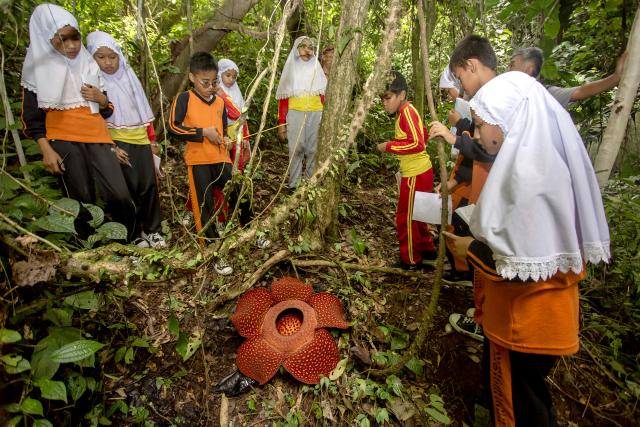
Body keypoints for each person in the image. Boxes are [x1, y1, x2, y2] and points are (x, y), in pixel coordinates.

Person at [443, 70, 610, 427]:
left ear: (506, 121)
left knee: (516, 408)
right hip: (540, 316)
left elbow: (515, 259)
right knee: (528, 400)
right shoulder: (539, 164)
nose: (480, 132)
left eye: (484, 123)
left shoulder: (528, 177)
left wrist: (467, 249)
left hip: (524, 321)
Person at [21, 3, 135, 241]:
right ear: (47, 37)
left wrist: (102, 100)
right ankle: (90, 255)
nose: (72, 46)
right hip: (63, 138)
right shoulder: (36, 68)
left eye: (75, 38)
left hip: (97, 137)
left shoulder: (87, 62)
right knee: (81, 199)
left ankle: (128, 244)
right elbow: (31, 118)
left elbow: (106, 110)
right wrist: (46, 150)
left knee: (120, 195)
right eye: (63, 39)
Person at [86, 30, 166, 249]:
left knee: (148, 186)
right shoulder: (94, 83)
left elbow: (142, 109)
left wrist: (152, 140)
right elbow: (94, 119)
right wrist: (111, 147)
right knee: (125, 190)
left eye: (112, 57)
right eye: (101, 57)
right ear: (92, 58)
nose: (108, 62)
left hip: (140, 139)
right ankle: (133, 234)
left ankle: (153, 230)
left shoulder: (129, 77)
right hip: (117, 141)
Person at [168, 52, 234, 275]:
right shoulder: (184, 99)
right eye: (205, 82)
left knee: (239, 191)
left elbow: (223, 130)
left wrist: (225, 138)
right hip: (198, 160)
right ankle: (215, 251)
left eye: (214, 81)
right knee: (204, 205)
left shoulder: (219, 102)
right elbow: (174, 128)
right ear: (192, 78)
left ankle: (253, 232)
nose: (210, 86)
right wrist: (202, 133)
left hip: (221, 157)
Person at [377, 71, 436, 270]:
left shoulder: (407, 112)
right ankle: (427, 250)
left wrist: (389, 146)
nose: (384, 102)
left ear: (401, 95)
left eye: (388, 97)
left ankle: (410, 260)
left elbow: (418, 143)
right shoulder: (405, 113)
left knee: (406, 217)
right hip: (420, 172)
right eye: (382, 98)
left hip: (415, 174)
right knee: (417, 214)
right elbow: (424, 134)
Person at [215, 58, 271, 249]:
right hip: (219, 142)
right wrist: (221, 95)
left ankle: (247, 225)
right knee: (220, 183)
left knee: (238, 182)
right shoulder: (214, 93)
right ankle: (220, 220)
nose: (230, 79)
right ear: (218, 75)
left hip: (236, 140)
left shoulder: (234, 92)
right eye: (226, 75)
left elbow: (240, 116)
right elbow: (229, 114)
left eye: (233, 76)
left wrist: (245, 140)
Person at [276, 36, 327, 190]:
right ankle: (294, 185)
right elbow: (283, 98)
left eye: (310, 47)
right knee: (296, 148)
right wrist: (281, 123)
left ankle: (309, 185)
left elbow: (323, 95)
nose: (307, 50)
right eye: (303, 46)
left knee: (313, 149)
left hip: (316, 112)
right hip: (295, 112)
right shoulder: (290, 69)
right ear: (296, 49)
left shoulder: (317, 68)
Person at [508, 46, 627, 108]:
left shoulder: (546, 94)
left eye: (512, 64)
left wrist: (616, 77)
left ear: (529, 69)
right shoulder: (506, 93)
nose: (509, 69)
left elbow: (581, 91)